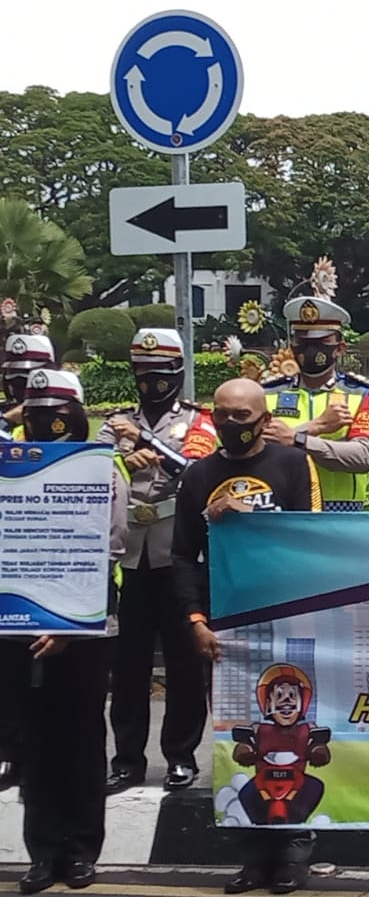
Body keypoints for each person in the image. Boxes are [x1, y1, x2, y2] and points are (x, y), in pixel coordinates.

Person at [170, 377, 321, 895]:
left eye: (242, 416)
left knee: (296, 734)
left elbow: (312, 538)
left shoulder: (291, 465)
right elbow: (182, 556)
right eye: (222, 414)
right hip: (224, 628)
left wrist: (246, 514)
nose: (231, 425)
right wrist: (195, 619)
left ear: (262, 418)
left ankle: (294, 853)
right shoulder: (198, 476)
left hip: (287, 618)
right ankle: (252, 854)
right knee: (243, 742)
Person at [4, 370, 127, 894]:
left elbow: (110, 549)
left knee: (79, 738)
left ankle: (79, 850)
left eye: (54, 413)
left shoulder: (102, 471)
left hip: (85, 628)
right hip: (18, 627)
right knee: (34, 743)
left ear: (76, 415)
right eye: (34, 413)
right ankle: (42, 852)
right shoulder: (9, 470)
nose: (45, 423)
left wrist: (68, 625)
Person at [100, 328, 219, 794]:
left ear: (178, 373)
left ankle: (181, 756)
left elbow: (197, 472)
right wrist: (130, 457)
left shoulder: (197, 421)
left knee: (185, 664)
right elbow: (102, 467)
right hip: (129, 554)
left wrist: (152, 453)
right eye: (143, 373)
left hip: (177, 549)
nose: (151, 382)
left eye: (161, 373)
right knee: (127, 664)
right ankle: (127, 758)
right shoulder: (116, 421)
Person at [261, 294, 369, 511]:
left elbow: (363, 457)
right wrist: (316, 427)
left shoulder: (361, 395)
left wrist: (296, 439)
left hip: (340, 512)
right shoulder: (267, 394)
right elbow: (256, 451)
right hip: (280, 508)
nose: (310, 349)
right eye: (302, 342)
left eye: (321, 342)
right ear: (291, 346)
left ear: (340, 348)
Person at [0, 332, 56, 792]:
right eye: (13, 381)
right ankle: (10, 752)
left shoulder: (61, 427)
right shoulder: (6, 427)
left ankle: (32, 754)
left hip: (54, 566)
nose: (19, 391)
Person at [0, 333, 55, 442]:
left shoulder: (64, 412)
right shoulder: (5, 410)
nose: (19, 381)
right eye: (14, 373)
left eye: (27, 374)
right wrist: (6, 419)